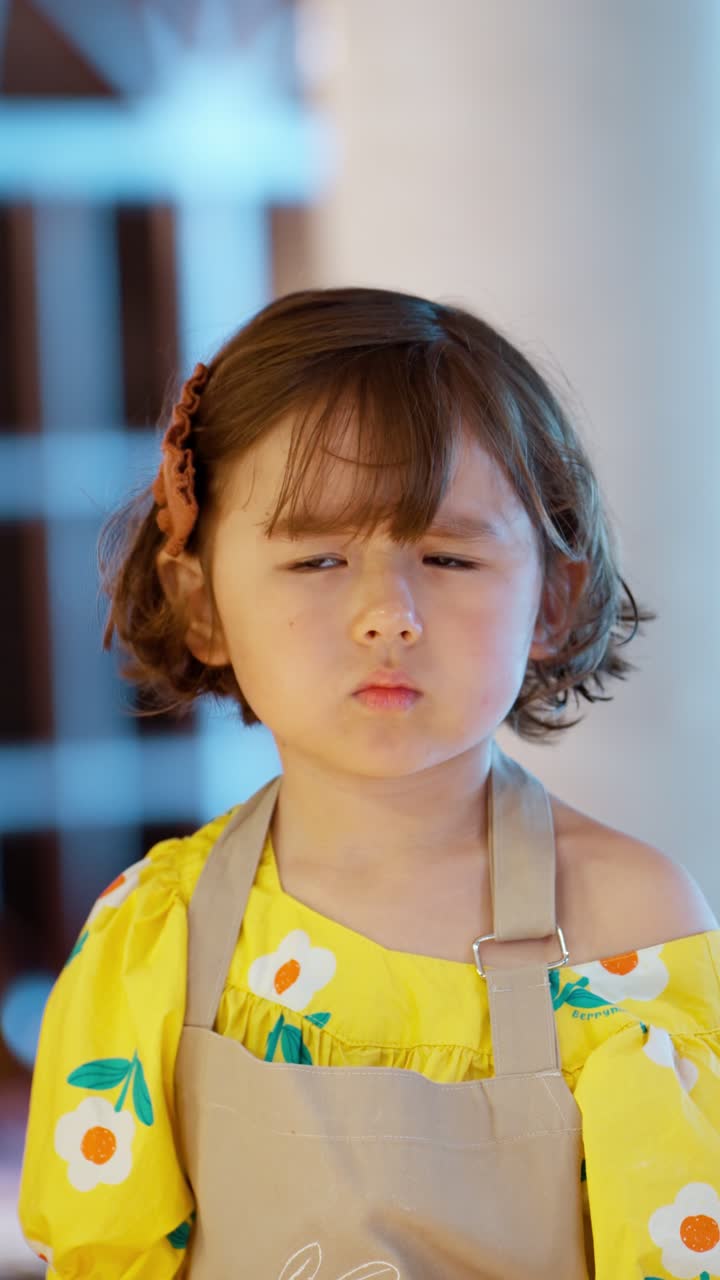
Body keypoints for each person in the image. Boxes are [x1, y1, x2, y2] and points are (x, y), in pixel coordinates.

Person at [18, 287, 720, 1279]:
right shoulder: (154, 935)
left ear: (551, 603)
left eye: (446, 554)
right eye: (317, 557)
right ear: (203, 602)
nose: (387, 613)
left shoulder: (625, 927)